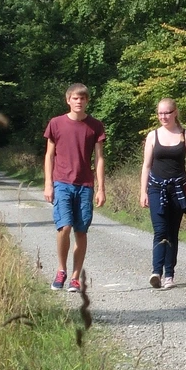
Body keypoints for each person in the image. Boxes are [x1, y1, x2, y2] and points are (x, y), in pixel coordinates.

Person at [43, 83, 106, 293]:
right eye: (75, 98)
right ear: (68, 100)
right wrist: (48, 184)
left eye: (83, 98)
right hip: (61, 182)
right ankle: (61, 270)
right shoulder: (56, 123)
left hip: (85, 185)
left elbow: (99, 158)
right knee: (65, 227)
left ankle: (75, 277)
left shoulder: (95, 126)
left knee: (81, 231)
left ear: (87, 100)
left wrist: (101, 188)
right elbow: (49, 155)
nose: (79, 102)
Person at [138, 98, 186, 290]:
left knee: (172, 232)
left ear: (175, 113)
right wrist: (143, 191)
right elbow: (146, 166)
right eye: (160, 113)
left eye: (167, 113)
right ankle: (157, 272)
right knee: (160, 230)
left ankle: (169, 275)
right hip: (156, 187)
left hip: (179, 188)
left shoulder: (185, 134)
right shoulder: (152, 136)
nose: (163, 116)